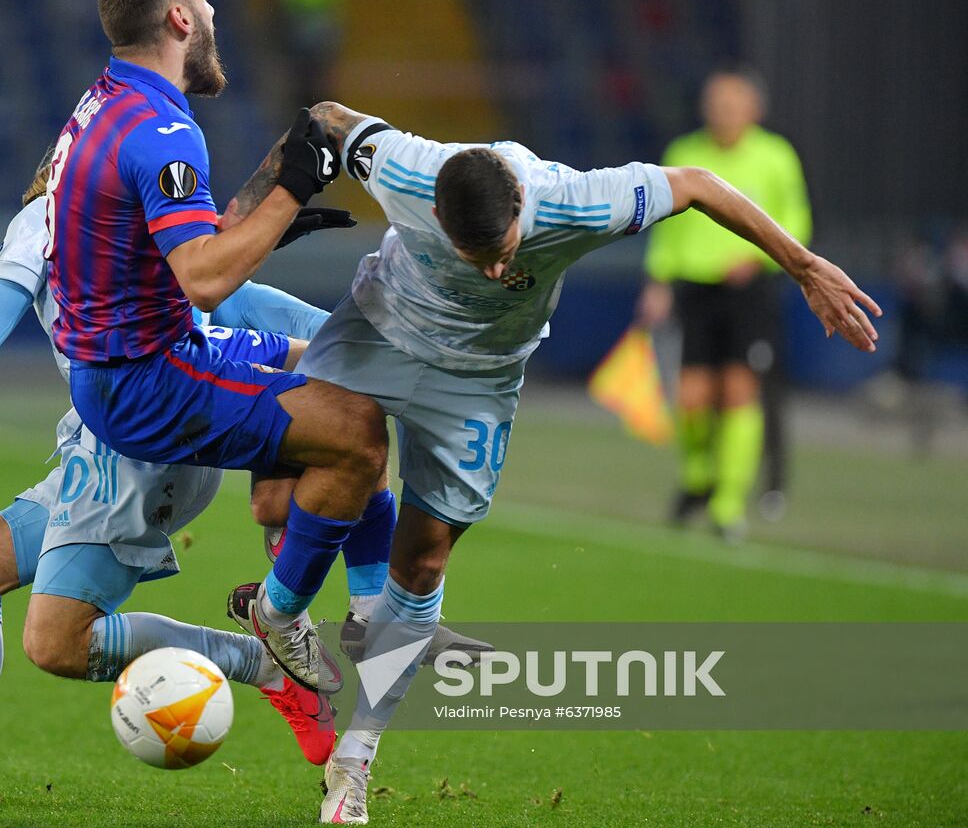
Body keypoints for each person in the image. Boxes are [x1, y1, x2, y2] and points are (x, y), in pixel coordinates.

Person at [224, 101, 879, 824]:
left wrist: (805, 266)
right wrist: (243, 217)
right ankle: (281, 613)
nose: (500, 265)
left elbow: (695, 183)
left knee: (427, 564)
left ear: (521, 207)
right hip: (377, 333)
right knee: (313, 466)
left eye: (507, 248)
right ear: (433, 211)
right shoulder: (407, 168)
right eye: (480, 255)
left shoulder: (577, 202)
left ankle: (355, 758)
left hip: (477, 380)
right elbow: (326, 119)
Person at [0, 172, 355, 809]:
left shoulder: (45, 221)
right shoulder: (146, 214)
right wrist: (345, 340)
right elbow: (236, 301)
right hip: (129, 434)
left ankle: (269, 666)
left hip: (134, 450)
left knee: (55, 643)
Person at [47, 0, 389, 695]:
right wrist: (293, 187)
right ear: (177, 17)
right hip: (151, 377)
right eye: (203, 2)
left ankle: (310, 545)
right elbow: (202, 278)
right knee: (359, 431)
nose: (212, 14)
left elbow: (170, 240)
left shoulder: (105, 102)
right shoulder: (166, 130)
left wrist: (266, 213)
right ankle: (297, 618)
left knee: (347, 368)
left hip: (126, 362)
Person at [636, 68, 812, 537]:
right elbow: (666, 228)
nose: (723, 113)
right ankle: (699, 478)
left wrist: (759, 258)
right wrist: (658, 282)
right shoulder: (685, 154)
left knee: (739, 391)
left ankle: (727, 506)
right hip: (695, 288)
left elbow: (796, 220)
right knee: (691, 397)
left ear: (753, 110)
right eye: (715, 104)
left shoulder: (775, 157)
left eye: (732, 105)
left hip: (749, 291)